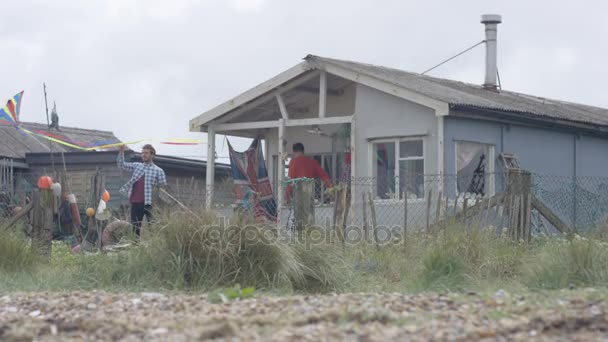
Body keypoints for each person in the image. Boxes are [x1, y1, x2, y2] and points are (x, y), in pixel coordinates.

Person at [117, 144, 167, 237]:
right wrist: (121, 152)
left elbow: (163, 190)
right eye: (142, 153)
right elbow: (121, 165)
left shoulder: (158, 171)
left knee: (153, 228)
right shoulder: (137, 166)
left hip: (150, 204)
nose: (144, 155)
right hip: (136, 203)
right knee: (135, 228)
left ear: (152, 155)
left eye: (146, 153)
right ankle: (135, 248)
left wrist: (160, 205)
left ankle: (153, 247)